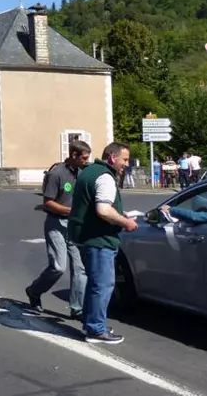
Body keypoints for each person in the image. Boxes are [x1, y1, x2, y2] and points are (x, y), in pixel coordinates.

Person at [68, 142, 138, 345]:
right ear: (112, 158)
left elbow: (92, 205)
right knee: (103, 285)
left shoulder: (89, 172)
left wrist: (119, 214)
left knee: (94, 283)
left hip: (84, 236)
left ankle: (91, 323)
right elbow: (103, 210)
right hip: (99, 239)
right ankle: (96, 329)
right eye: (124, 159)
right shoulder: (105, 177)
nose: (126, 164)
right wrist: (126, 222)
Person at [26, 141, 91, 319]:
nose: (87, 161)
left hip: (75, 226)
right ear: (74, 155)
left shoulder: (83, 172)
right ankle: (34, 291)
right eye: (84, 158)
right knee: (58, 267)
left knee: (80, 268)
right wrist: (71, 211)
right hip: (56, 224)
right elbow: (47, 202)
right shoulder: (57, 174)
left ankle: (77, 309)